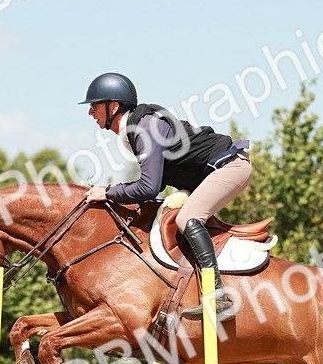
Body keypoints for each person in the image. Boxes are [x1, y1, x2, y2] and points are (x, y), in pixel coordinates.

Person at [80, 72, 251, 318]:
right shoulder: (135, 130)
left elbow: (148, 188)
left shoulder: (144, 127)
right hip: (212, 172)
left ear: (113, 106)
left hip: (231, 166)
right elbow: (155, 185)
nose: (90, 113)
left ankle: (218, 298)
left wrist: (108, 192)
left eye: (94, 106)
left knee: (187, 219)